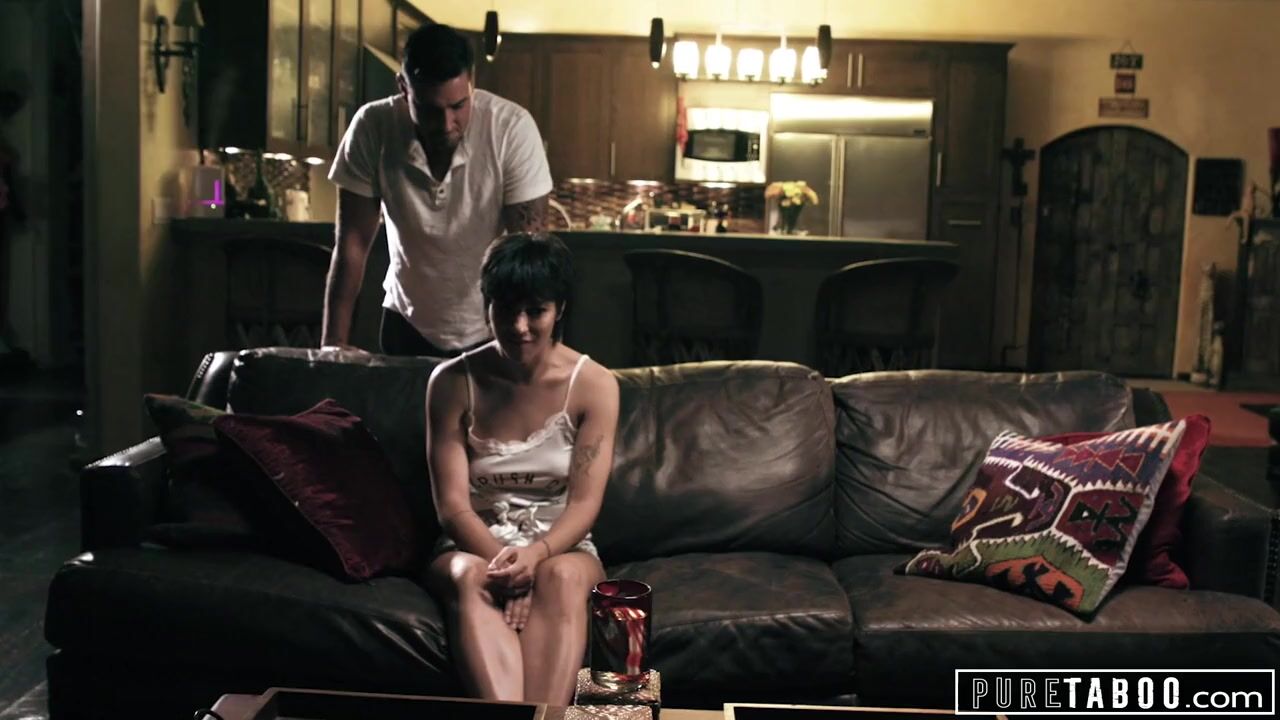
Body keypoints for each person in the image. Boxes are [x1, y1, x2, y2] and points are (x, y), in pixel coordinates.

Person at [423, 233, 620, 704]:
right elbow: (452, 507)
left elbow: (584, 503)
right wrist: (507, 568)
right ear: (487, 305)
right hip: (473, 543)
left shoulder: (595, 384)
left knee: (563, 578)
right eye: (505, 310)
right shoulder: (451, 383)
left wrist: (535, 557)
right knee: (470, 575)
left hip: (561, 544)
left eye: (536, 311)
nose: (519, 326)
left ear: (559, 309)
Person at [324, 23, 552, 356]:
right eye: (430, 110)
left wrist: (534, 352)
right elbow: (352, 244)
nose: (446, 125)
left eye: (458, 106)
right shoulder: (372, 127)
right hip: (406, 321)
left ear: (471, 82)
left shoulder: (511, 129)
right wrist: (332, 346)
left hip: (490, 327)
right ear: (403, 88)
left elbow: (529, 254)